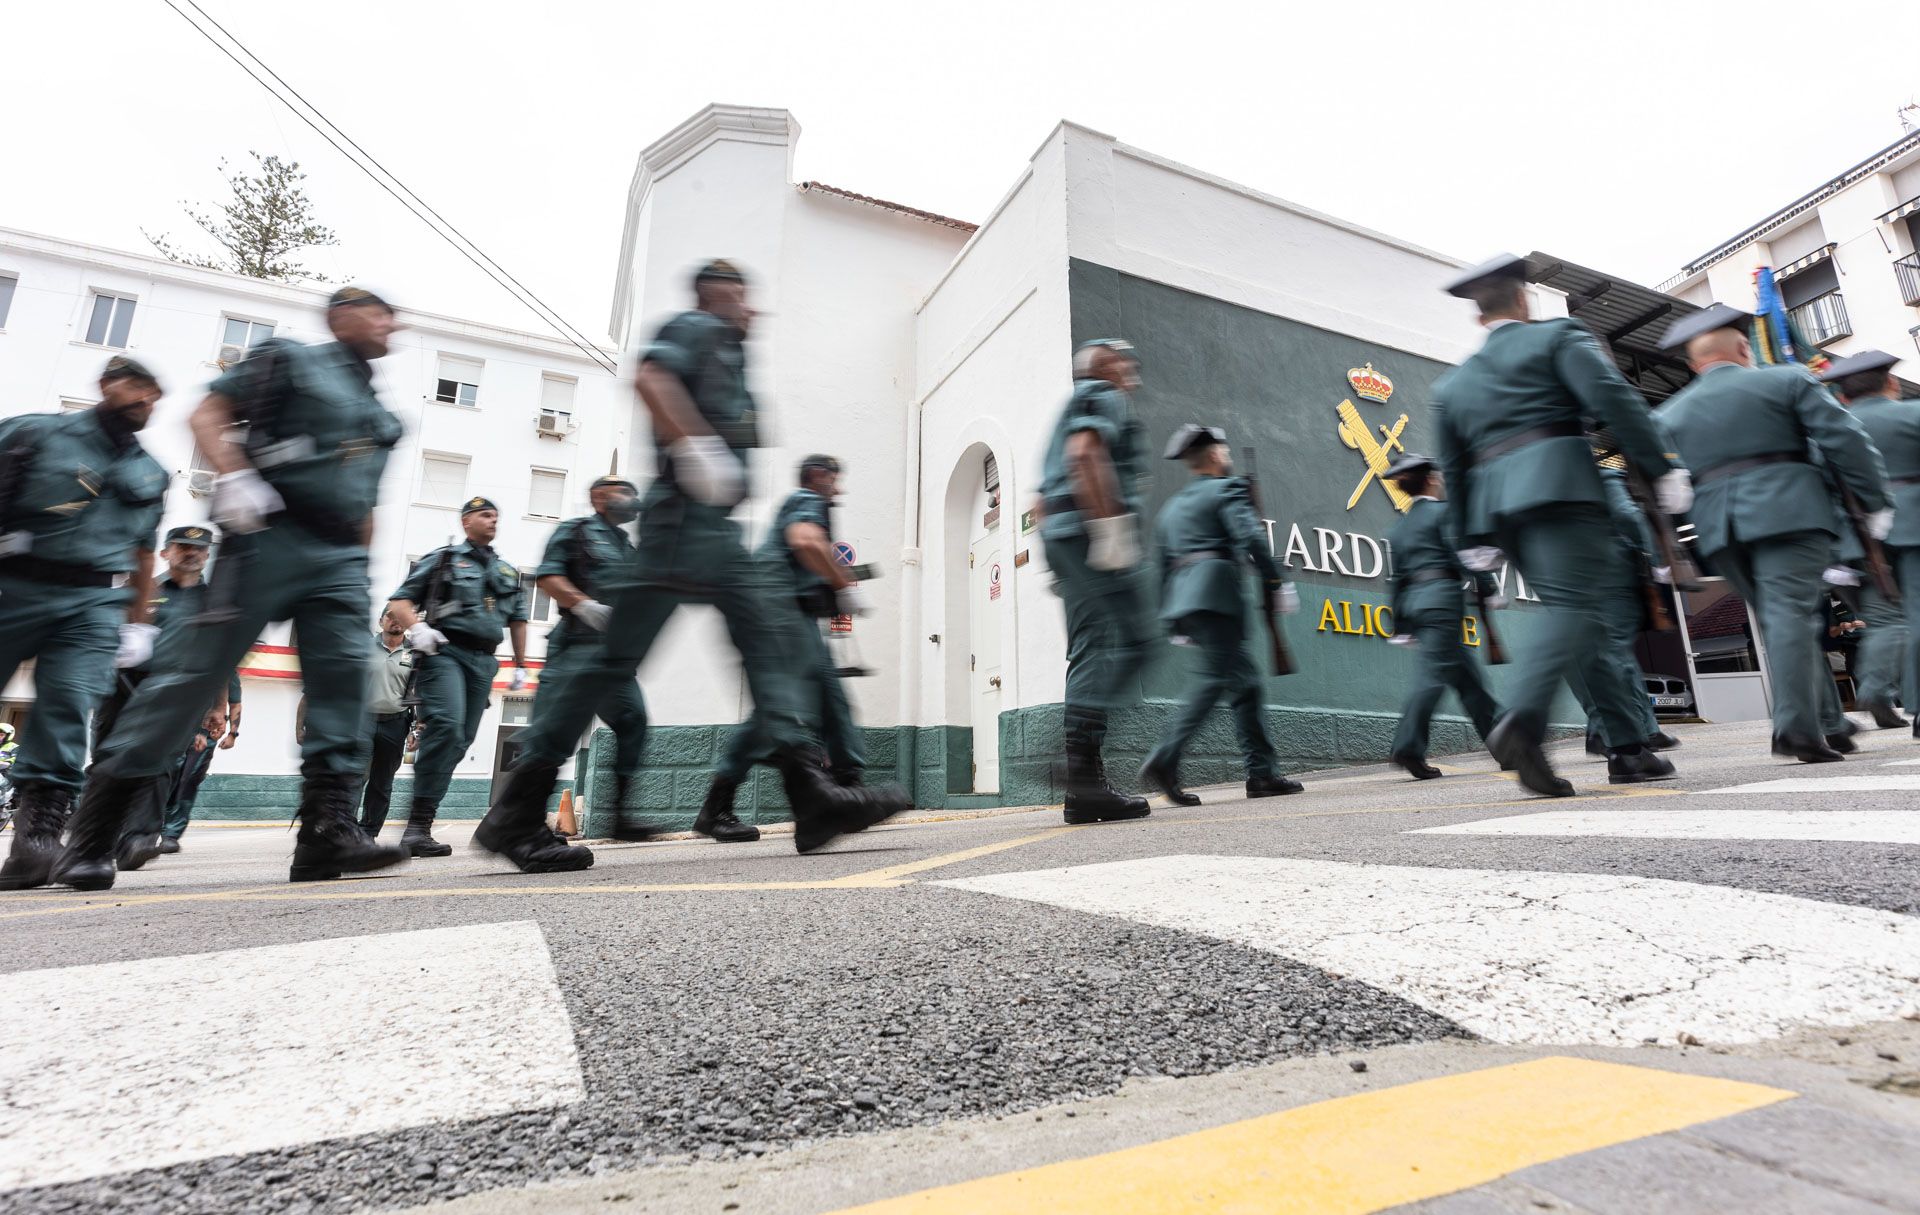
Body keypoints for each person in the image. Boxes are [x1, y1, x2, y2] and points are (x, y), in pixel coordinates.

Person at [475, 259, 908, 870]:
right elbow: (651, 377)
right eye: (742, 298)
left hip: (704, 531)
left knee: (680, 652)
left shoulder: (728, 354)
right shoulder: (697, 328)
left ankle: (810, 796)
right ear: (718, 295)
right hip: (688, 526)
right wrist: (695, 446)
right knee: (747, 639)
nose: (752, 310)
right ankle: (518, 812)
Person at [47, 287, 411, 889]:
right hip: (270, 531)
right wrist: (237, 477)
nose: (388, 324)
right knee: (190, 678)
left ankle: (327, 833)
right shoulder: (290, 360)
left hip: (340, 554)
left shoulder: (378, 406)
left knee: (343, 682)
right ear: (339, 315)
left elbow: (367, 492)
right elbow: (208, 413)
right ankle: (92, 836)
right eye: (376, 311)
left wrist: (362, 564)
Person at [1432, 254, 1689, 796]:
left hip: (1500, 509)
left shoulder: (1452, 386)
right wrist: (1660, 467)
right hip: (1562, 487)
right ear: (1523, 300)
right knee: (1576, 608)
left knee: (1584, 623)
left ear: (1480, 316)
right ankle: (1521, 724)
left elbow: (1453, 469)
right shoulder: (1555, 338)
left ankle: (1626, 749)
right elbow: (1613, 397)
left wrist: (1470, 538)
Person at [1655, 304, 1890, 763]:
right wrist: (1877, 502)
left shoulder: (1668, 412)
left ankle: (1829, 721)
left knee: (1782, 620)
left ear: (1693, 363)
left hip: (1717, 527)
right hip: (1788, 512)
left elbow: (1659, 480)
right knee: (1791, 618)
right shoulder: (1788, 379)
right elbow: (1845, 440)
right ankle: (1794, 728)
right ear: (1744, 348)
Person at [0, 355, 169, 890]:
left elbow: (144, 554)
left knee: (67, 706)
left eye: (154, 393)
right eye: (136, 387)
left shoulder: (150, 471)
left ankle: (37, 840)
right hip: (13, 581)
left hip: (94, 600)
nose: (146, 400)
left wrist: (138, 624)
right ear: (106, 385)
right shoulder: (34, 432)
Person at [702, 455, 875, 842]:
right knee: (778, 711)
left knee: (831, 699)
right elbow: (805, 541)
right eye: (835, 480)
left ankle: (845, 789)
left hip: (794, 616)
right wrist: (845, 584)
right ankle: (717, 806)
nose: (839, 489)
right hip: (778, 613)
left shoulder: (807, 502)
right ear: (818, 476)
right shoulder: (806, 498)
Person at [1138, 425, 1301, 803]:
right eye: (1224, 451)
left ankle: (1261, 774)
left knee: (1245, 685)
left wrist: (1174, 619)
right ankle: (1165, 756)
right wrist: (1277, 582)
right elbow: (1250, 537)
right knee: (1212, 682)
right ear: (1213, 455)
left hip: (1188, 602)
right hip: (1218, 595)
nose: (1227, 457)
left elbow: (1162, 565)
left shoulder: (1171, 508)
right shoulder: (1228, 489)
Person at [1035, 339, 1154, 824]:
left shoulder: (1071, 403)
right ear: (1106, 365)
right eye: (1125, 361)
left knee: (1089, 648)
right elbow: (1085, 455)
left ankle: (1084, 789)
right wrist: (1110, 532)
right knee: (1137, 643)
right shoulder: (1104, 394)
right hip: (1089, 533)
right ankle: (1077, 768)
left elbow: (1041, 501)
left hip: (1064, 537)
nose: (1131, 371)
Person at [386, 497, 529, 857]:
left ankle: (421, 828)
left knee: (460, 740)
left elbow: (517, 619)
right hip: (445, 652)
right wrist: (417, 629)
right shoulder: (445, 559)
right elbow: (400, 602)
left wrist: (522, 664)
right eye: (484, 514)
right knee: (446, 728)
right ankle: (416, 828)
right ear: (466, 521)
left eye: (496, 515)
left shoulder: (507, 570)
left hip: (483, 660)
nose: (492, 520)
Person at [97, 524, 244, 868]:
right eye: (181, 547)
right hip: (123, 690)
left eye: (198, 549)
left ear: (207, 555)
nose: (190, 553)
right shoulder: (143, 590)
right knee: (108, 762)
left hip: (178, 695)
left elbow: (219, 659)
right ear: (165, 553)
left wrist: (218, 706)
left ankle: (140, 838)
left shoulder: (215, 603)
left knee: (162, 765)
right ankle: (102, 840)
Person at [529, 475, 660, 838]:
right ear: (598, 497)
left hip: (612, 660)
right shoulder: (577, 532)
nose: (632, 500)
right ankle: (527, 821)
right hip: (575, 646)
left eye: (635, 494)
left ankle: (620, 816)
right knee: (551, 733)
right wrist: (584, 605)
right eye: (624, 492)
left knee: (633, 720)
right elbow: (548, 576)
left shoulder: (627, 547)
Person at [1380, 452, 1504, 780]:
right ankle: (1407, 745)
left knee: (1469, 680)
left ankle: (1508, 745)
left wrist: (1400, 624)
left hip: (1415, 605)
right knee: (1432, 677)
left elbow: (1396, 579)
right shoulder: (1443, 512)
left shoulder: (1399, 527)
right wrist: (1488, 589)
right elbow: (1462, 554)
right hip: (1441, 602)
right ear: (1433, 479)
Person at [1821, 348, 1917, 732]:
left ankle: (1875, 687)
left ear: (1843, 396)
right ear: (1891, 382)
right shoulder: (1913, 412)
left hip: (1860, 537)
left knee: (1883, 620)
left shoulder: (1831, 430)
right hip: (1914, 522)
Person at [1569, 460, 1681, 772]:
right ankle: (1634, 735)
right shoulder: (1601, 474)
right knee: (1617, 656)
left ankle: (1615, 730)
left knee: (1595, 655)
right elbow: (1628, 516)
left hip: (1569, 576)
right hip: (1609, 572)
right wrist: (1654, 561)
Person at [352, 608, 414, 835]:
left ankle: (368, 832)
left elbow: (419, 694)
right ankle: (346, 830)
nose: (395, 621)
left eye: (400, 618)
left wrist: (416, 730)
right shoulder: (364, 647)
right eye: (390, 616)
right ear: (381, 621)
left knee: (382, 783)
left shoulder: (415, 654)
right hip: (362, 723)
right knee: (355, 777)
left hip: (396, 724)